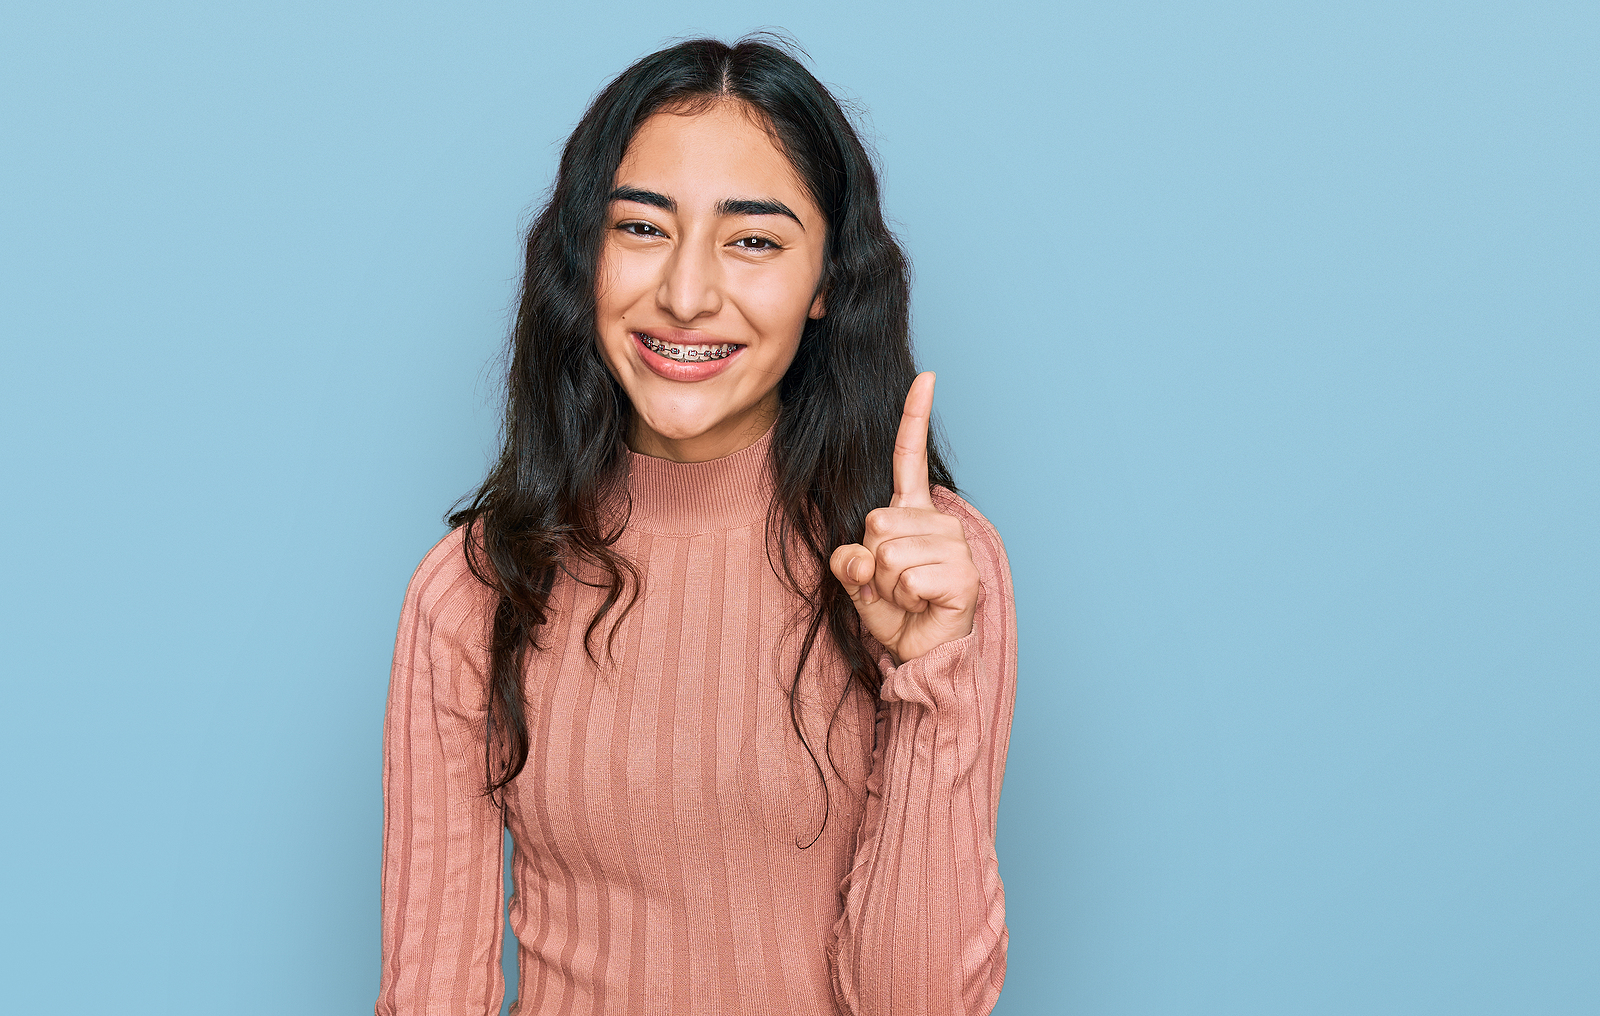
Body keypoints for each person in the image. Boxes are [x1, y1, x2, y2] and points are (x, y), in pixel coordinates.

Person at [377, 36, 1017, 1016]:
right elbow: (429, 993)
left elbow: (918, 1003)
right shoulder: (477, 583)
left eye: (752, 239)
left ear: (824, 285)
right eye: (640, 227)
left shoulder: (929, 569)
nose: (683, 293)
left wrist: (933, 677)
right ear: (582, 258)